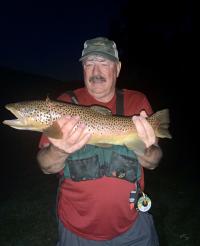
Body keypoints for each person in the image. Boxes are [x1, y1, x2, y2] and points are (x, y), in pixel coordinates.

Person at [37, 37, 162, 246]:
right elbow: (46, 166)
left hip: (132, 225)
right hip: (76, 230)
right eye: (89, 64)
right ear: (83, 69)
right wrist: (59, 150)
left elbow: (154, 161)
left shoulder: (137, 102)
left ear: (118, 68)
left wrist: (143, 149)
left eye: (104, 63)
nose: (96, 71)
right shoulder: (63, 104)